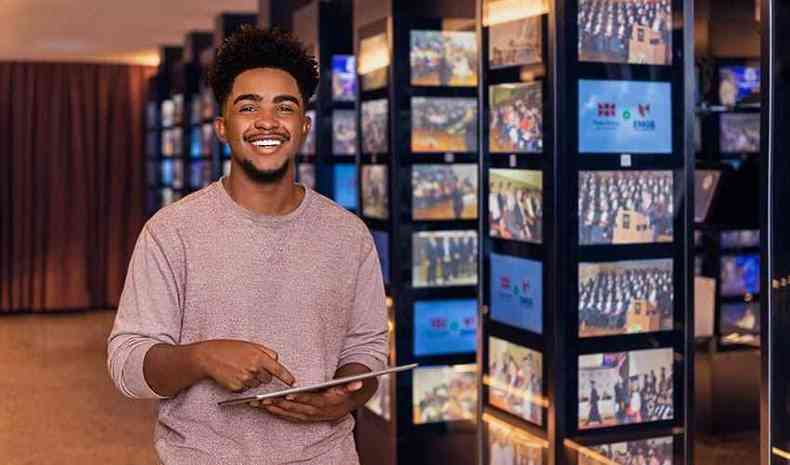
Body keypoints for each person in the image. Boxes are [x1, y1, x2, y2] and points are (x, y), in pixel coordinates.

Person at [107, 27, 388, 465]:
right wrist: (201, 358)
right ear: (223, 127)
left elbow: (367, 351)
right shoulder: (171, 232)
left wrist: (347, 394)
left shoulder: (348, 235)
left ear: (303, 126)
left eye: (284, 107)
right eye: (248, 106)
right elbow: (127, 366)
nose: (267, 121)